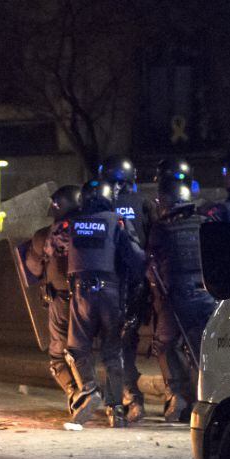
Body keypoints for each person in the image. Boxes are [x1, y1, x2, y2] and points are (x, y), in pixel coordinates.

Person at [60, 180, 145, 427]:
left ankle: (88, 390)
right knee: (112, 352)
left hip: (80, 293)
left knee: (77, 348)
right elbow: (136, 258)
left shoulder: (71, 222)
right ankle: (116, 410)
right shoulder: (116, 221)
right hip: (111, 293)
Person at [146, 176, 216, 422]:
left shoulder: (161, 228)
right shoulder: (206, 222)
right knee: (201, 349)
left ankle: (178, 395)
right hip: (208, 295)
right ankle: (205, 398)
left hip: (177, 296)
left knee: (165, 345)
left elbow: (151, 265)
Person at [99, 155, 151, 422]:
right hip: (138, 286)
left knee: (113, 347)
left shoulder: (102, 206)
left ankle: (124, 400)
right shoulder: (143, 203)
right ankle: (132, 399)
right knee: (126, 345)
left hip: (111, 286)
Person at [25, 185, 81, 415]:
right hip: (94, 298)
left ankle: (76, 394)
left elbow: (34, 268)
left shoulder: (44, 236)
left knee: (58, 355)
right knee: (93, 351)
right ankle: (118, 402)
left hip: (61, 300)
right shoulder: (95, 228)